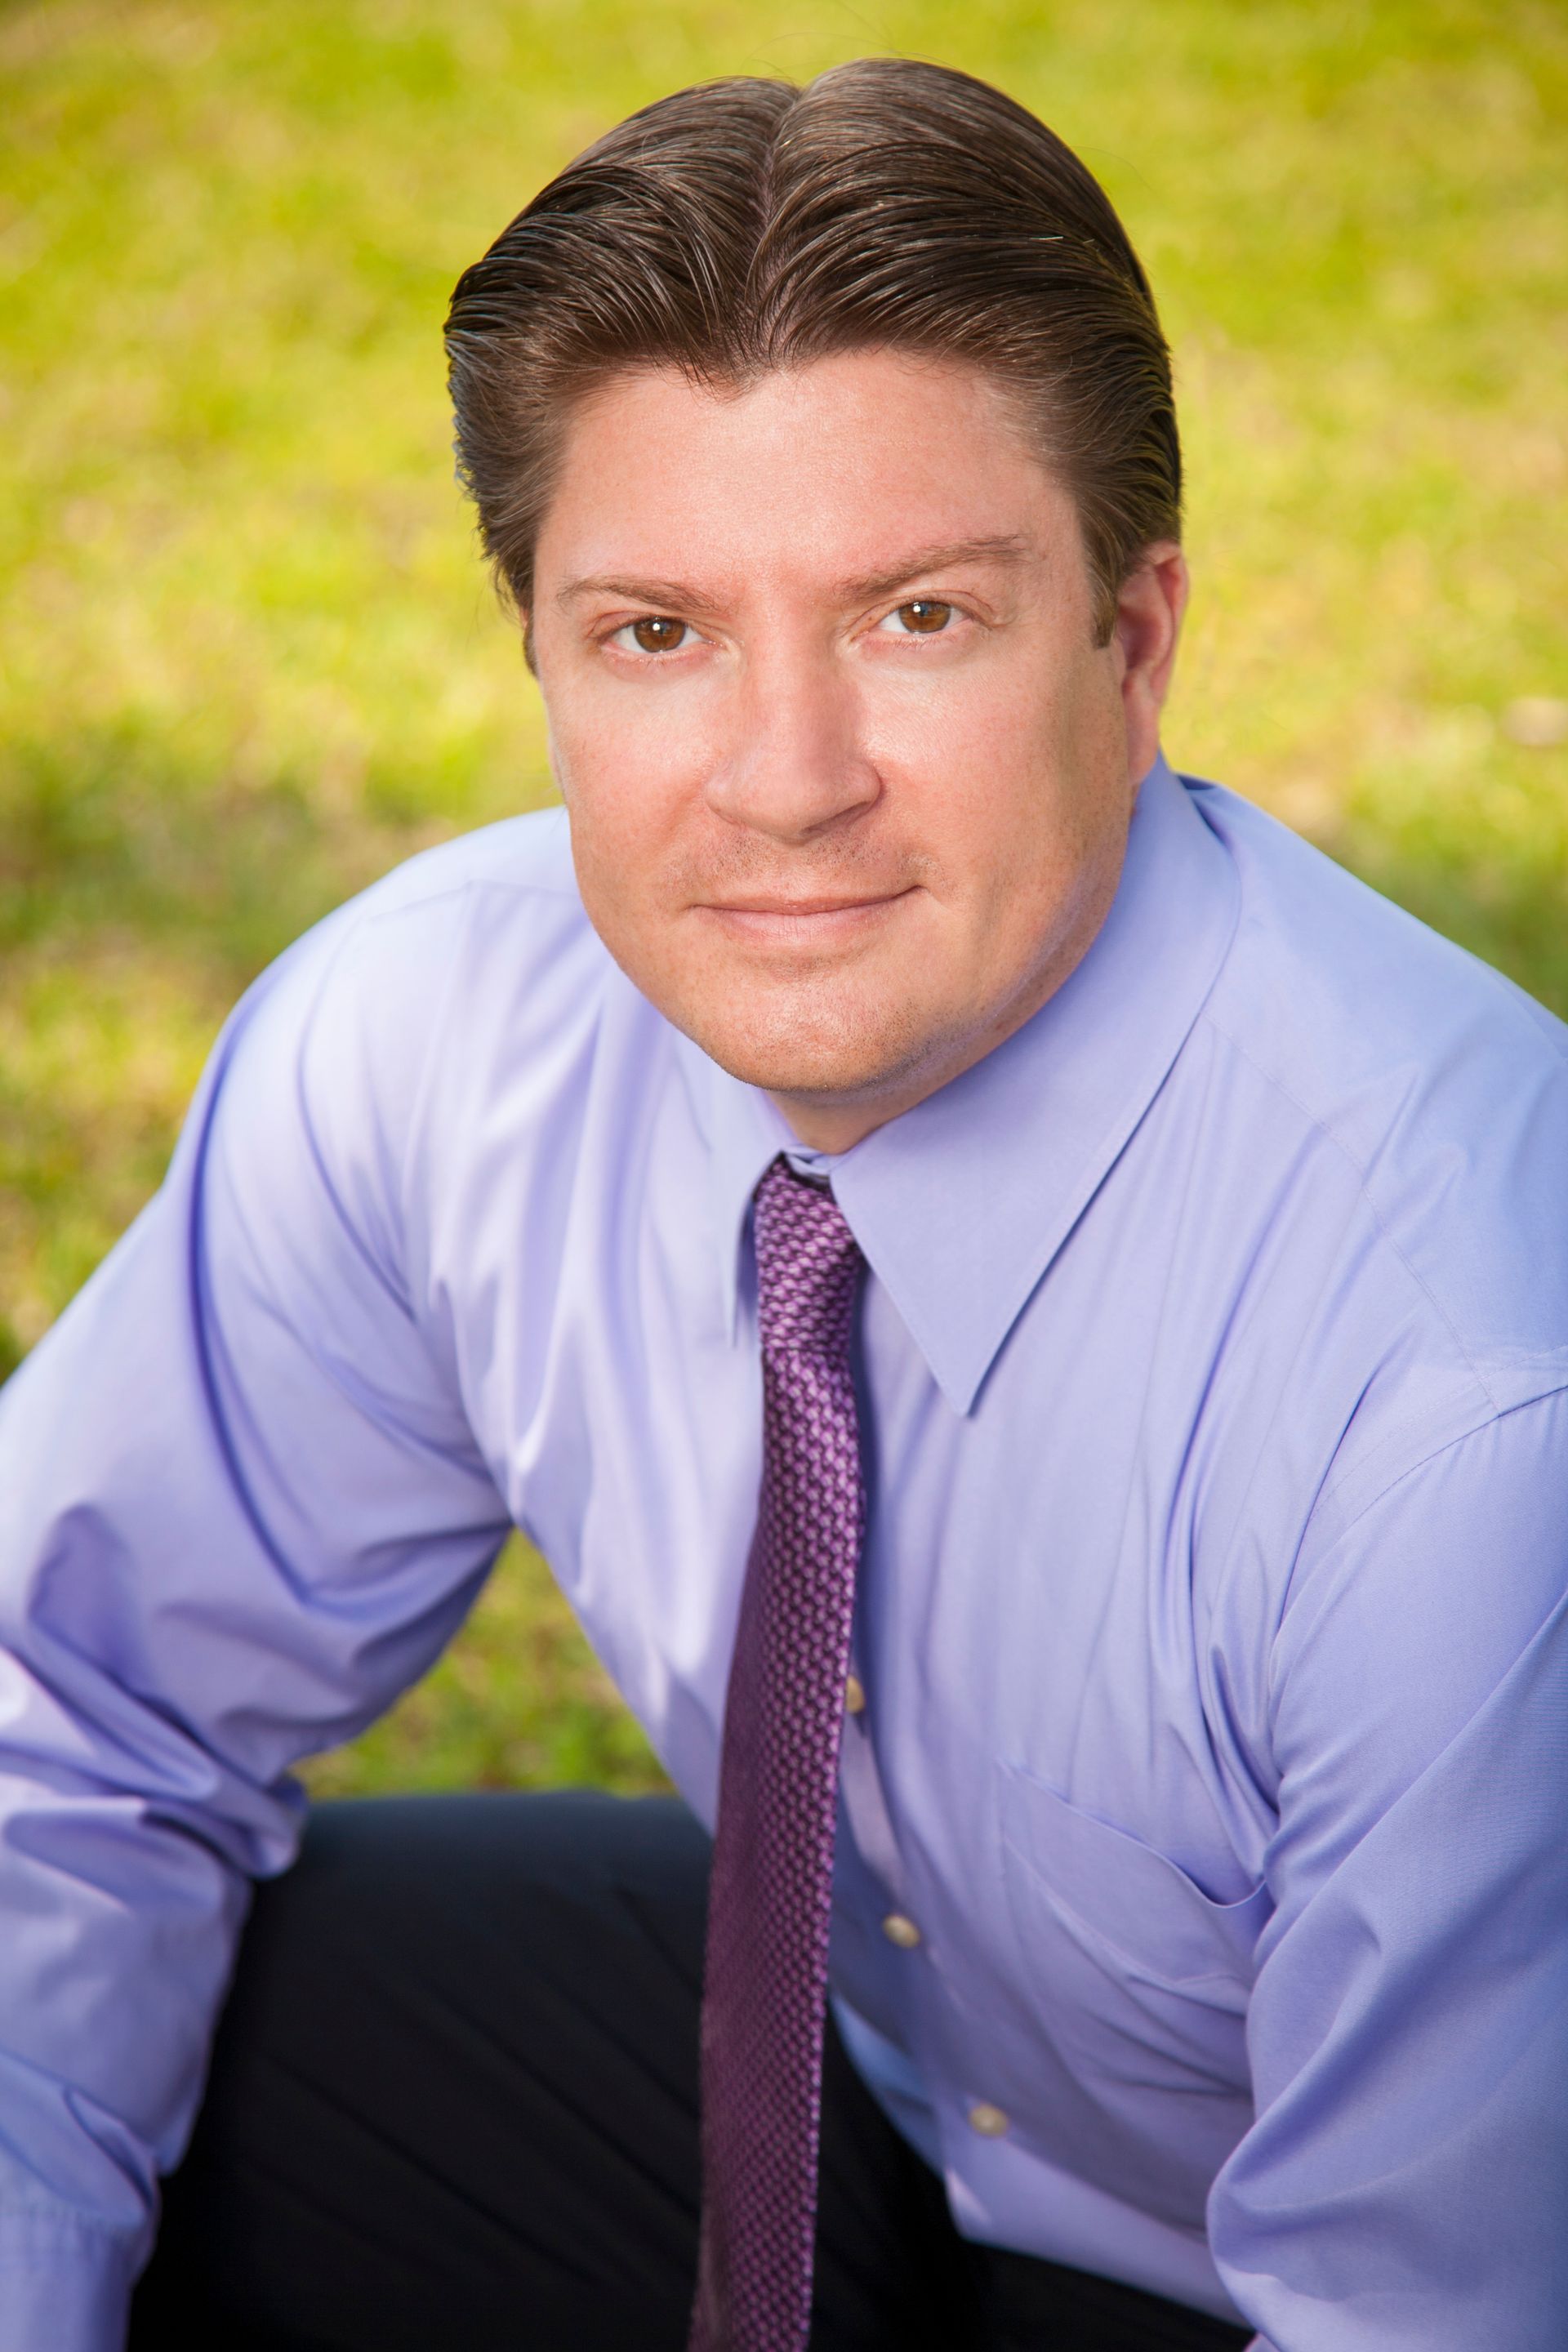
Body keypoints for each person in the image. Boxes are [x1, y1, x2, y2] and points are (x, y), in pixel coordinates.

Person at [0, 56, 1562, 2352]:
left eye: (919, 616)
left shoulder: (1466, 1404)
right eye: (658, 634)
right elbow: (66, 1710)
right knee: (205, 1991)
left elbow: (1439, 2312)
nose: (788, 782)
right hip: (926, 2095)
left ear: (1133, 652)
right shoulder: (443, 1044)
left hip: (1355, 2266)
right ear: (535, 647)